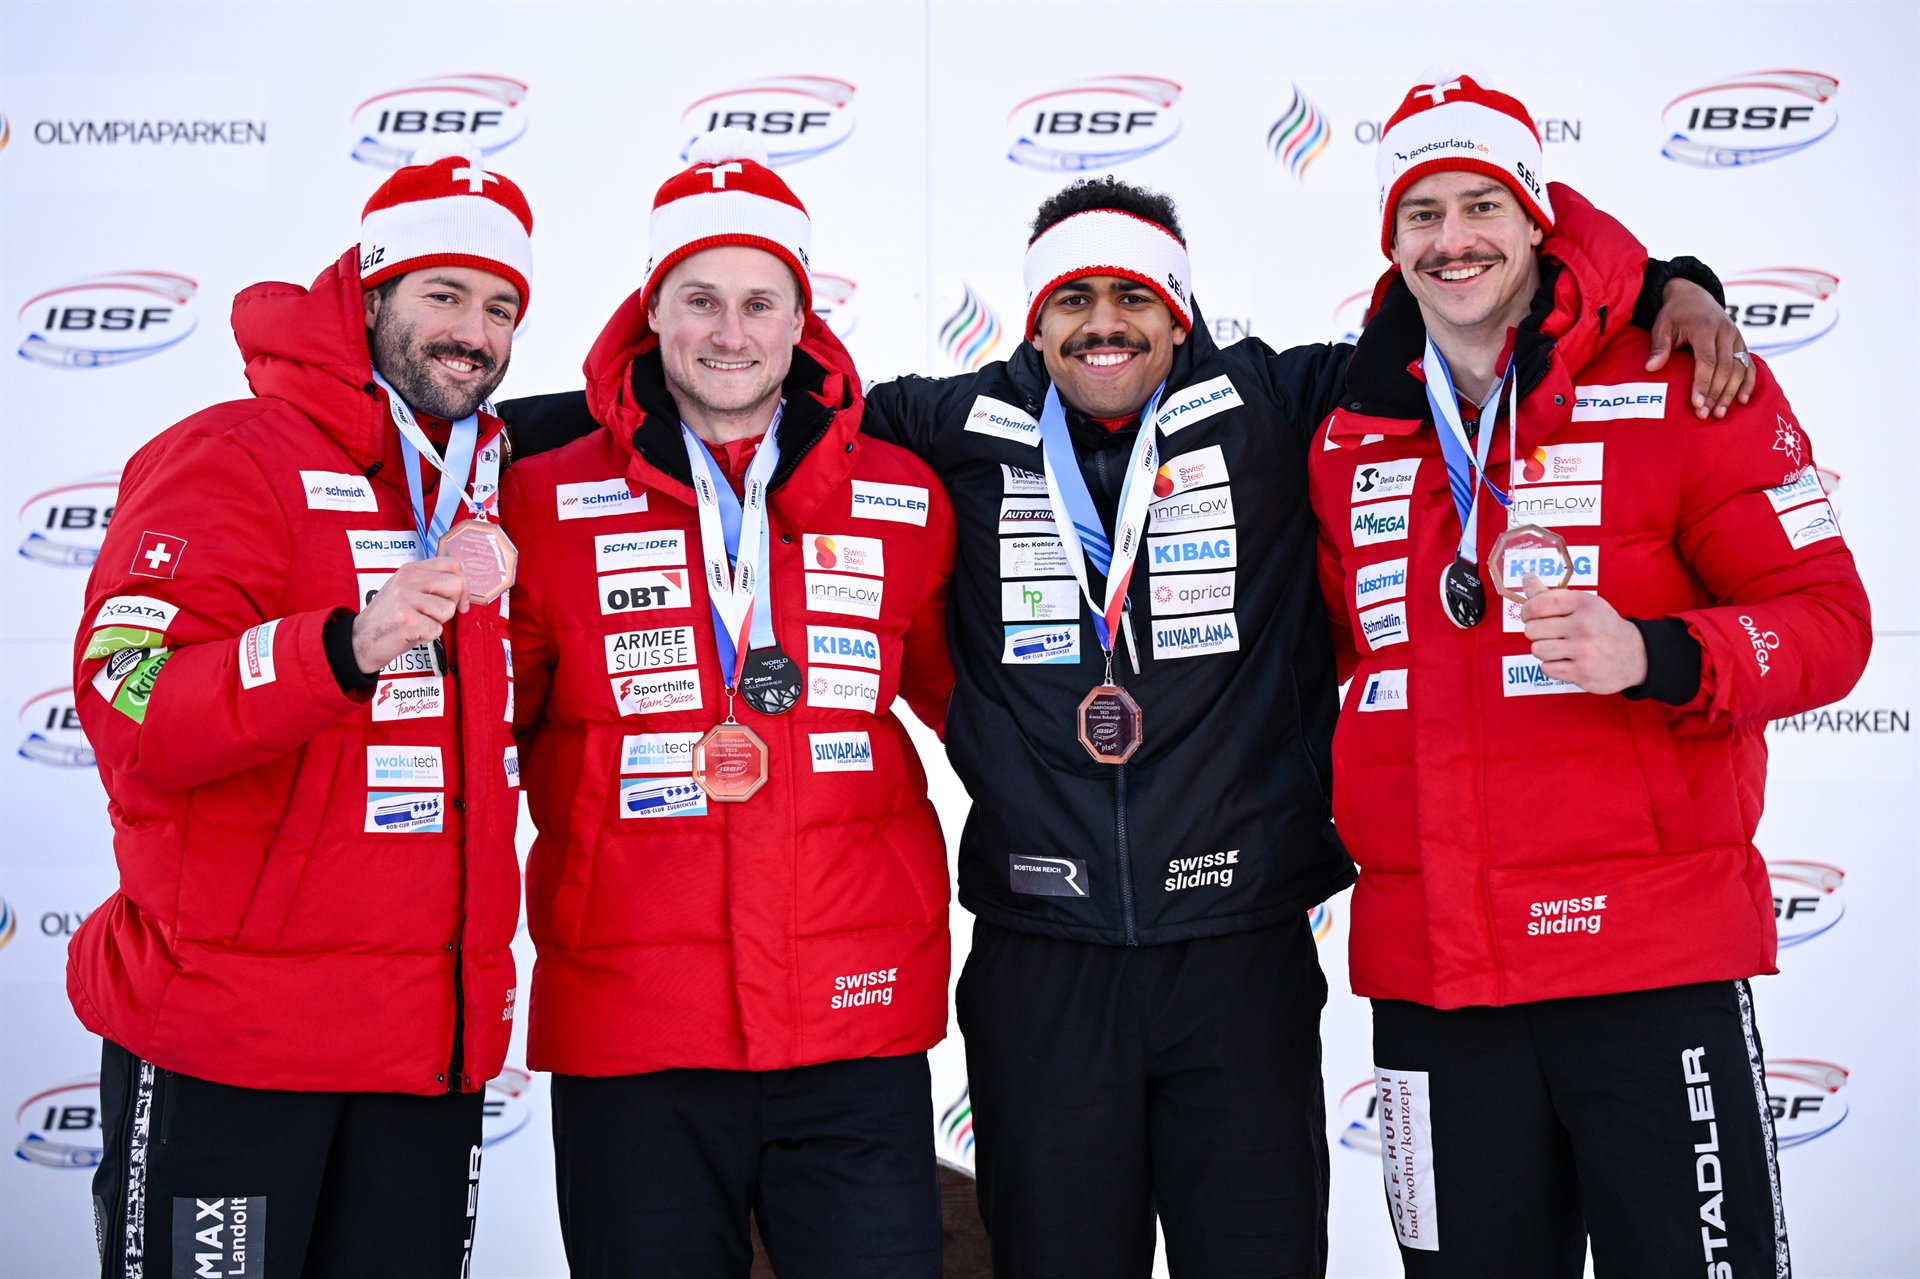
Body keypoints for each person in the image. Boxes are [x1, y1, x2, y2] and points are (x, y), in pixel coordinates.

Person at [852, 170, 1748, 1274]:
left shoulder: (1278, 402)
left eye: (1133, 298)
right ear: (1033, 323)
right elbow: (758, 393)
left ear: (1180, 313)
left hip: (1240, 945)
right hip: (1044, 955)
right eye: (1071, 301)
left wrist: (1672, 285)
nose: (1103, 325)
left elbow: (1476, 308)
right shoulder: (948, 422)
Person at [1308, 75, 1870, 1278]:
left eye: (1482, 206)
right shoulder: (1352, 419)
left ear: (1536, 219)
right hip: (1435, 981)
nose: (1452, 240)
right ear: (1390, 240)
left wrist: (1658, 654)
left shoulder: (1687, 379)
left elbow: (1831, 624)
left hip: (1646, 967)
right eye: (1421, 213)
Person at [496, 132, 957, 1279]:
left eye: (761, 303)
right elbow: (479, 730)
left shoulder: (900, 495)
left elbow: (986, 713)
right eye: (699, 299)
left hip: (854, 1021)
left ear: (805, 324)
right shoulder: (541, 500)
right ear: (653, 315)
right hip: (634, 1030)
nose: (731, 333)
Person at [70, 143, 531, 1278]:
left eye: (501, 306)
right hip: (235, 1046)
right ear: (368, 295)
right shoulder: (232, 455)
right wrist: (339, 644)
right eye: (442, 294)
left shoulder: (481, 479)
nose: (473, 330)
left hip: (426, 1058)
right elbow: (128, 700)